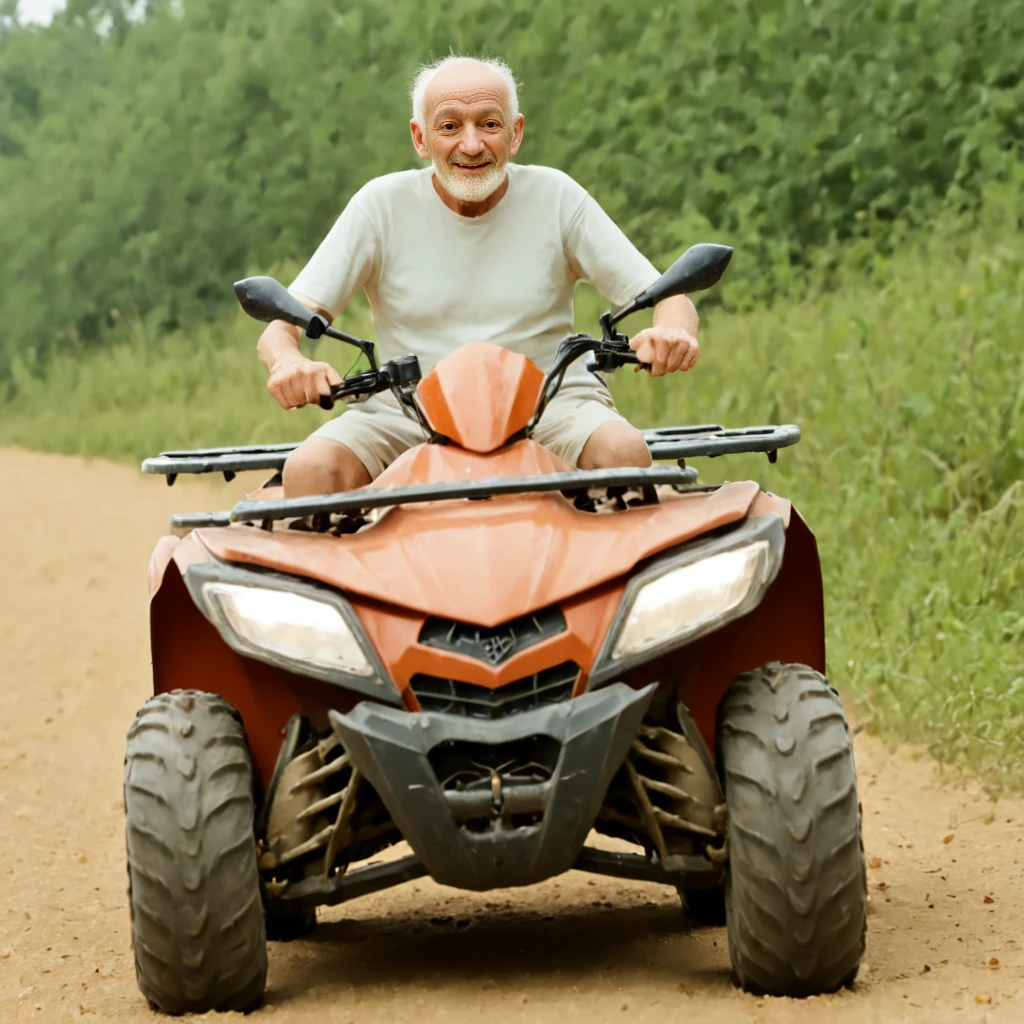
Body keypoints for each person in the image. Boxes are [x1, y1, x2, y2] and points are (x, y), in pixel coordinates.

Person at [257, 56, 700, 498]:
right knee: (313, 468)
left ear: (515, 134)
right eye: (449, 126)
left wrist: (671, 332)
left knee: (624, 453)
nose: (471, 145)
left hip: (548, 398)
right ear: (420, 138)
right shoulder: (379, 206)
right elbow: (283, 326)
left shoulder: (558, 197)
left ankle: (616, 567)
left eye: (489, 124)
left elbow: (668, 295)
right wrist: (289, 362)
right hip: (407, 404)